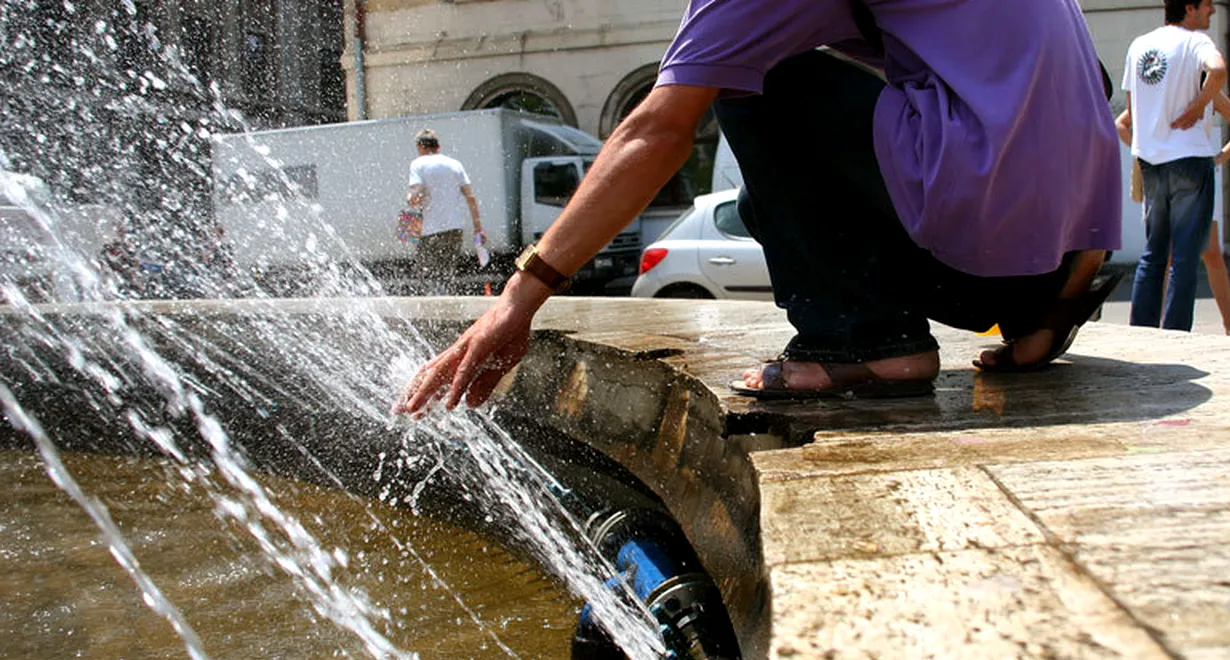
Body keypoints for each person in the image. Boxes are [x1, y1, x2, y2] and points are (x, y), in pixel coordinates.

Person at [394, 0, 1122, 414]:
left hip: (977, 252)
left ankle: (861, 341)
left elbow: (657, 130)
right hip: (1050, 257)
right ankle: (1043, 310)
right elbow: (1082, 77)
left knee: (749, 80)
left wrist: (517, 298)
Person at [1122, 0, 1227, 332]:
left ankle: (1142, 331)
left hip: (1151, 162)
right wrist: (1199, 106)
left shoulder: (1139, 45)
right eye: (1208, 5)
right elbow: (1219, 70)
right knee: (1183, 259)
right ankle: (1176, 335)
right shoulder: (1196, 41)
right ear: (1190, 7)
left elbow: (1131, 110)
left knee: (1153, 256)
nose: (1212, 11)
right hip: (1190, 160)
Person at [1117, 93, 1230, 336]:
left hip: (1197, 175)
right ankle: (1159, 327)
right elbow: (1121, 124)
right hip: (1165, 174)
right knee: (1166, 256)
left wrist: (1218, 157)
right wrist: (1148, 150)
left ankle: (1229, 323)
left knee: (1211, 252)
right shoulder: (1166, 90)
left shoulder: (1210, 95)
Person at [407, 129, 486, 294]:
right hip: (455, 228)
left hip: (431, 230)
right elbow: (470, 197)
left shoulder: (418, 164)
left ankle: (434, 312)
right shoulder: (455, 164)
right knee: (447, 274)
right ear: (438, 146)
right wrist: (478, 228)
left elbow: (416, 197)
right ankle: (448, 306)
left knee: (426, 275)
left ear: (420, 146)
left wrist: (410, 198)